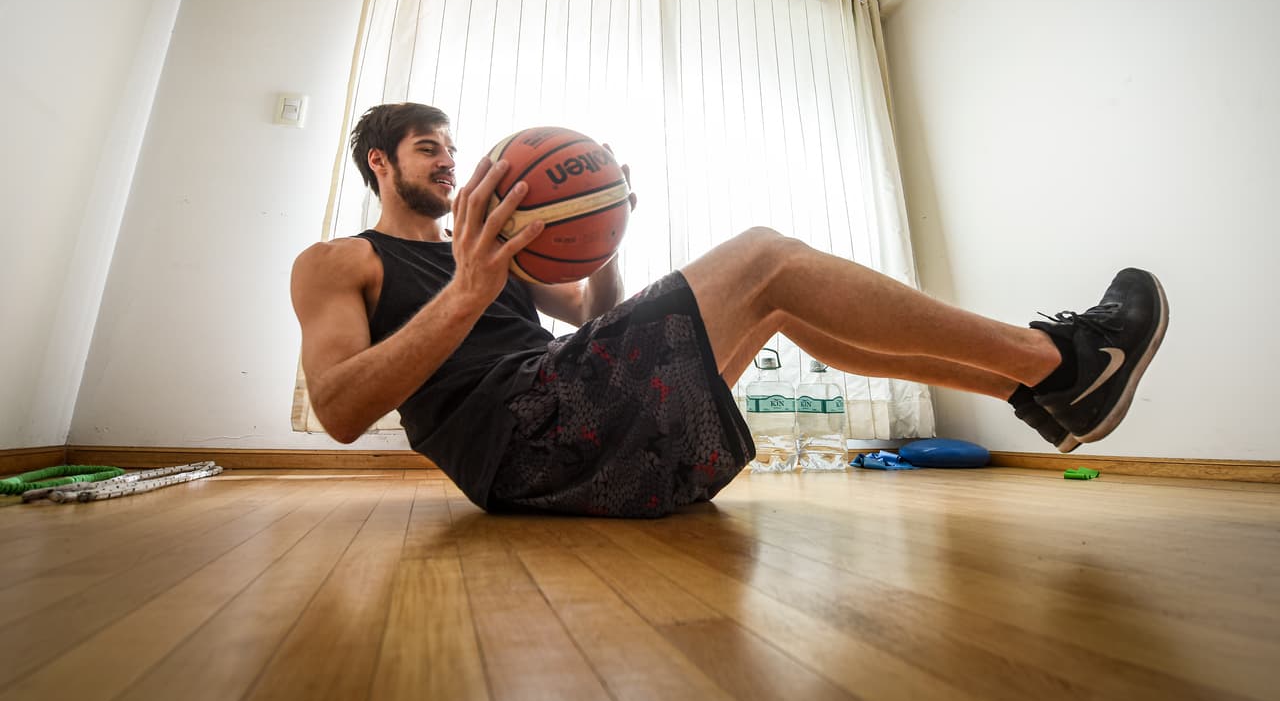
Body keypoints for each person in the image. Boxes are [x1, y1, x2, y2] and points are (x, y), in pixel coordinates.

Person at [291, 103, 1168, 517]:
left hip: (598, 436)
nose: (448, 163)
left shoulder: (480, 252)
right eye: (426, 149)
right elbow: (338, 409)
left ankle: (1034, 392)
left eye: (452, 147)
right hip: (524, 442)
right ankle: (1066, 359)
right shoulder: (339, 263)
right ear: (379, 162)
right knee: (762, 255)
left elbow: (606, 323)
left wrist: (604, 233)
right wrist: (467, 293)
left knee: (779, 298)